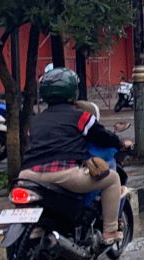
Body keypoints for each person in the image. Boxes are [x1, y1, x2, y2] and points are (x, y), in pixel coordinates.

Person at [18, 68, 131, 244]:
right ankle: (110, 232)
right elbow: (103, 136)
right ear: (73, 91)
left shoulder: (35, 121)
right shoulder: (81, 117)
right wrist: (121, 143)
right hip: (64, 174)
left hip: (28, 175)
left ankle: (38, 227)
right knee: (113, 179)